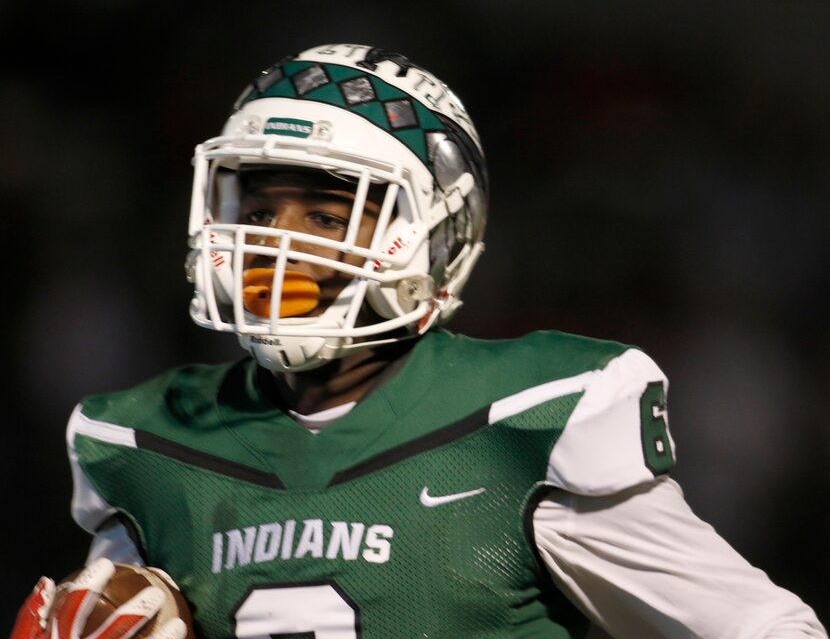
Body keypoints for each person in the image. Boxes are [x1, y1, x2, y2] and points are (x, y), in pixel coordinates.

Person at [12, 43, 826, 639]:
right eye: (258, 212)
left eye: (326, 216)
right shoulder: (146, 440)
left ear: (435, 236)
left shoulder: (532, 417)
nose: (276, 242)